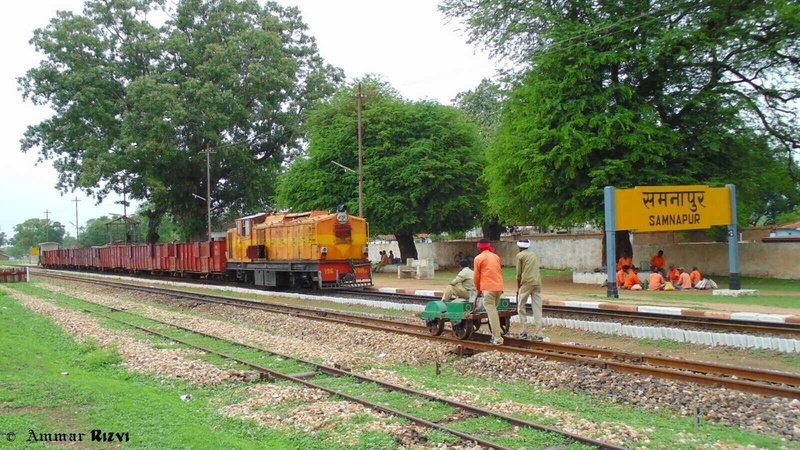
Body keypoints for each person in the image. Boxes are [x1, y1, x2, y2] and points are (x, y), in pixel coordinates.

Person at [474, 239, 505, 346]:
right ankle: (494, 336)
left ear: (479, 248)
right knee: (494, 312)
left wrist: (478, 290)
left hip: (488, 288)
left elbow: (477, 276)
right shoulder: (496, 257)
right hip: (499, 288)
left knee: (492, 314)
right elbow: (499, 271)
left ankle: (498, 338)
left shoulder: (478, 258)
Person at [515, 239, 543, 341]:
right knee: (537, 308)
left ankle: (524, 331)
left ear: (520, 247)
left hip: (526, 282)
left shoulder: (520, 256)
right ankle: (539, 333)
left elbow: (518, 274)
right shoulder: (534, 255)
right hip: (537, 282)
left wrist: (518, 287)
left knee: (521, 307)